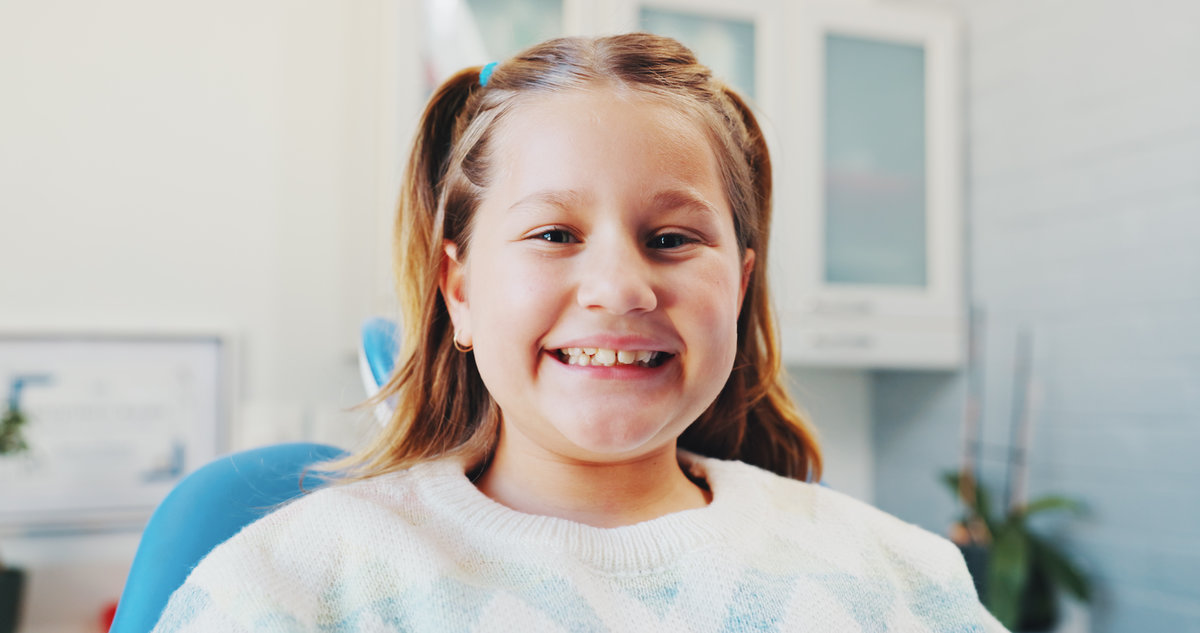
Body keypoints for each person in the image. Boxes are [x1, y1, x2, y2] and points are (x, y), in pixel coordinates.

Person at [153, 33, 1007, 632]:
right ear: (459, 288)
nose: (619, 288)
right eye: (555, 234)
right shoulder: (292, 586)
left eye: (672, 239)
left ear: (741, 285)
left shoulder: (900, 580)